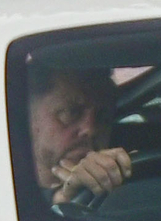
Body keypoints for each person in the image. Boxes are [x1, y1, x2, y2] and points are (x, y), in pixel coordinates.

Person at [28, 65, 131, 207]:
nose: (90, 129)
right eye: (71, 112)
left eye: (103, 117)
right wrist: (63, 200)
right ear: (29, 118)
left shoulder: (127, 190)